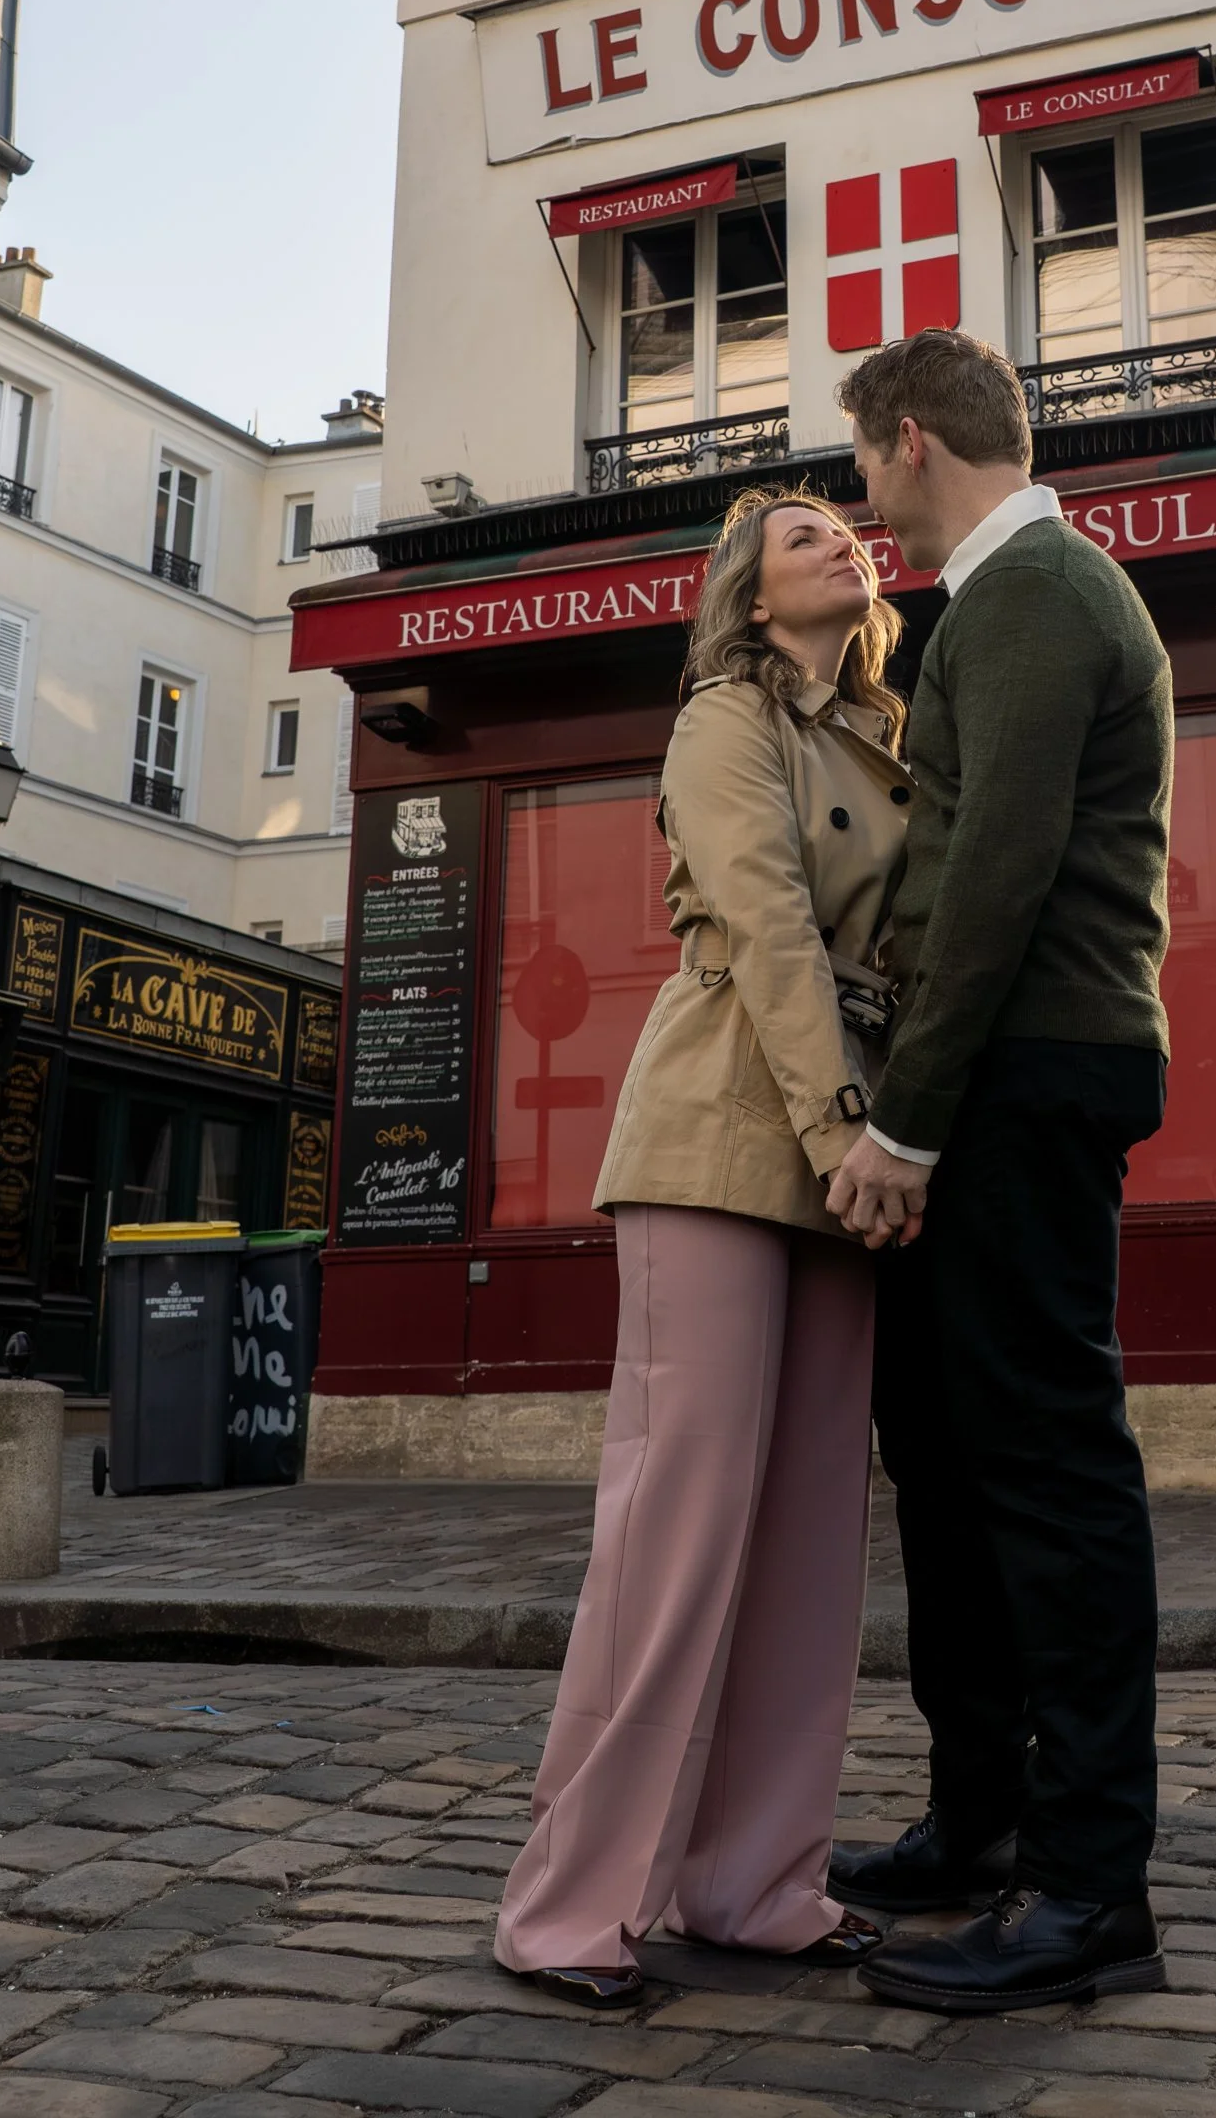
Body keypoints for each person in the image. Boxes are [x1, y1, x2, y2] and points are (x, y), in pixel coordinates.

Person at [493, 489, 913, 2008]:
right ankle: (567, 1907)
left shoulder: (889, 735)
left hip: (854, 1146)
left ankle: (753, 1884)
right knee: (672, 1540)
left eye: (849, 532)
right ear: (747, 596)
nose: (840, 543)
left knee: (811, 1543)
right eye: (801, 536)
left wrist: (893, 1142)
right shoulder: (725, 719)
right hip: (732, 1126)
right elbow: (770, 925)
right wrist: (848, 1132)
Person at [824, 328, 1173, 2014]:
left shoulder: (1037, 591)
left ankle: (1090, 1885)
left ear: (908, 443)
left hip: (1031, 1068)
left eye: (864, 468)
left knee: (1045, 1470)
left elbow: (997, 880)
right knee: (951, 1465)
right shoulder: (1008, 595)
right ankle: (981, 1822)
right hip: (1003, 1070)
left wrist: (908, 1122)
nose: (861, 503)